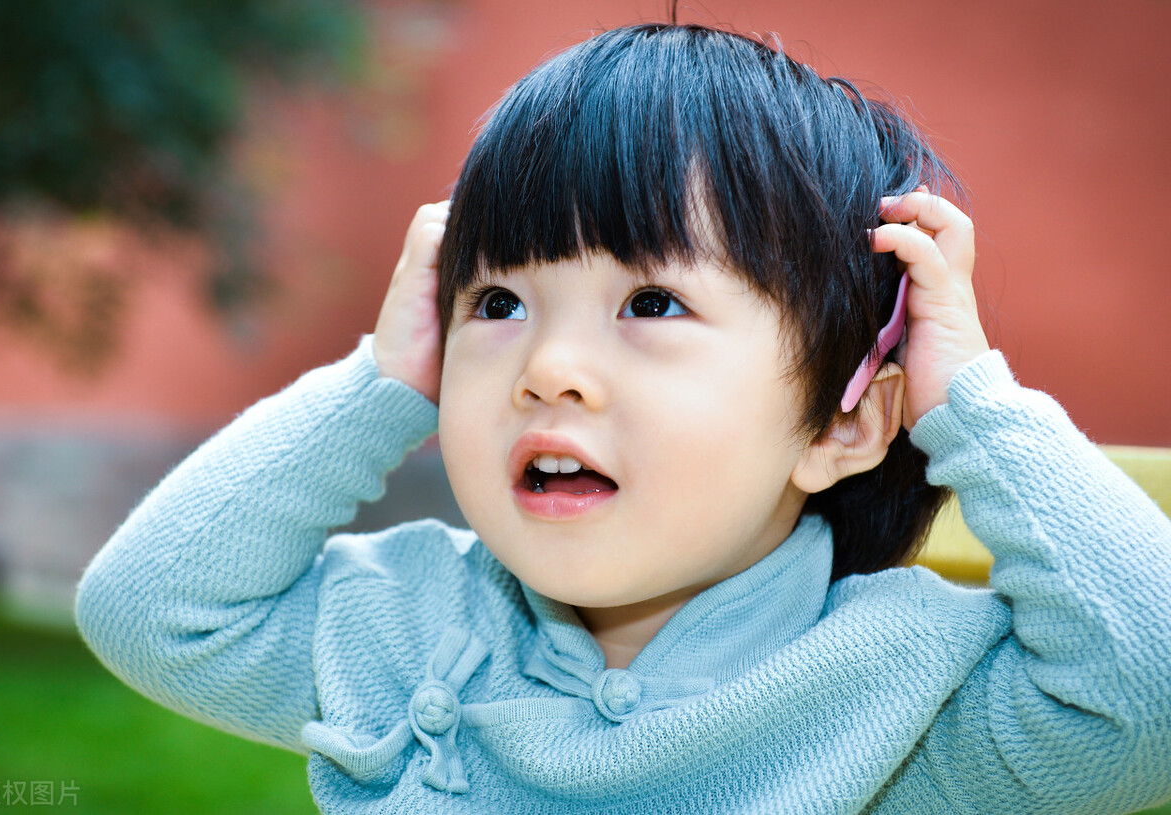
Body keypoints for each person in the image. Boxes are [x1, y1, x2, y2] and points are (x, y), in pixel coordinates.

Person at [75, 23, 1171, 814]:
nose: (550, 368)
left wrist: (970, 402)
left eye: (652, 302)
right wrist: (382, 378)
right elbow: (152, 608)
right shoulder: (416, 630)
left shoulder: (903, 694)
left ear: (840, 423)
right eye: (496, 303)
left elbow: (1152, 692)